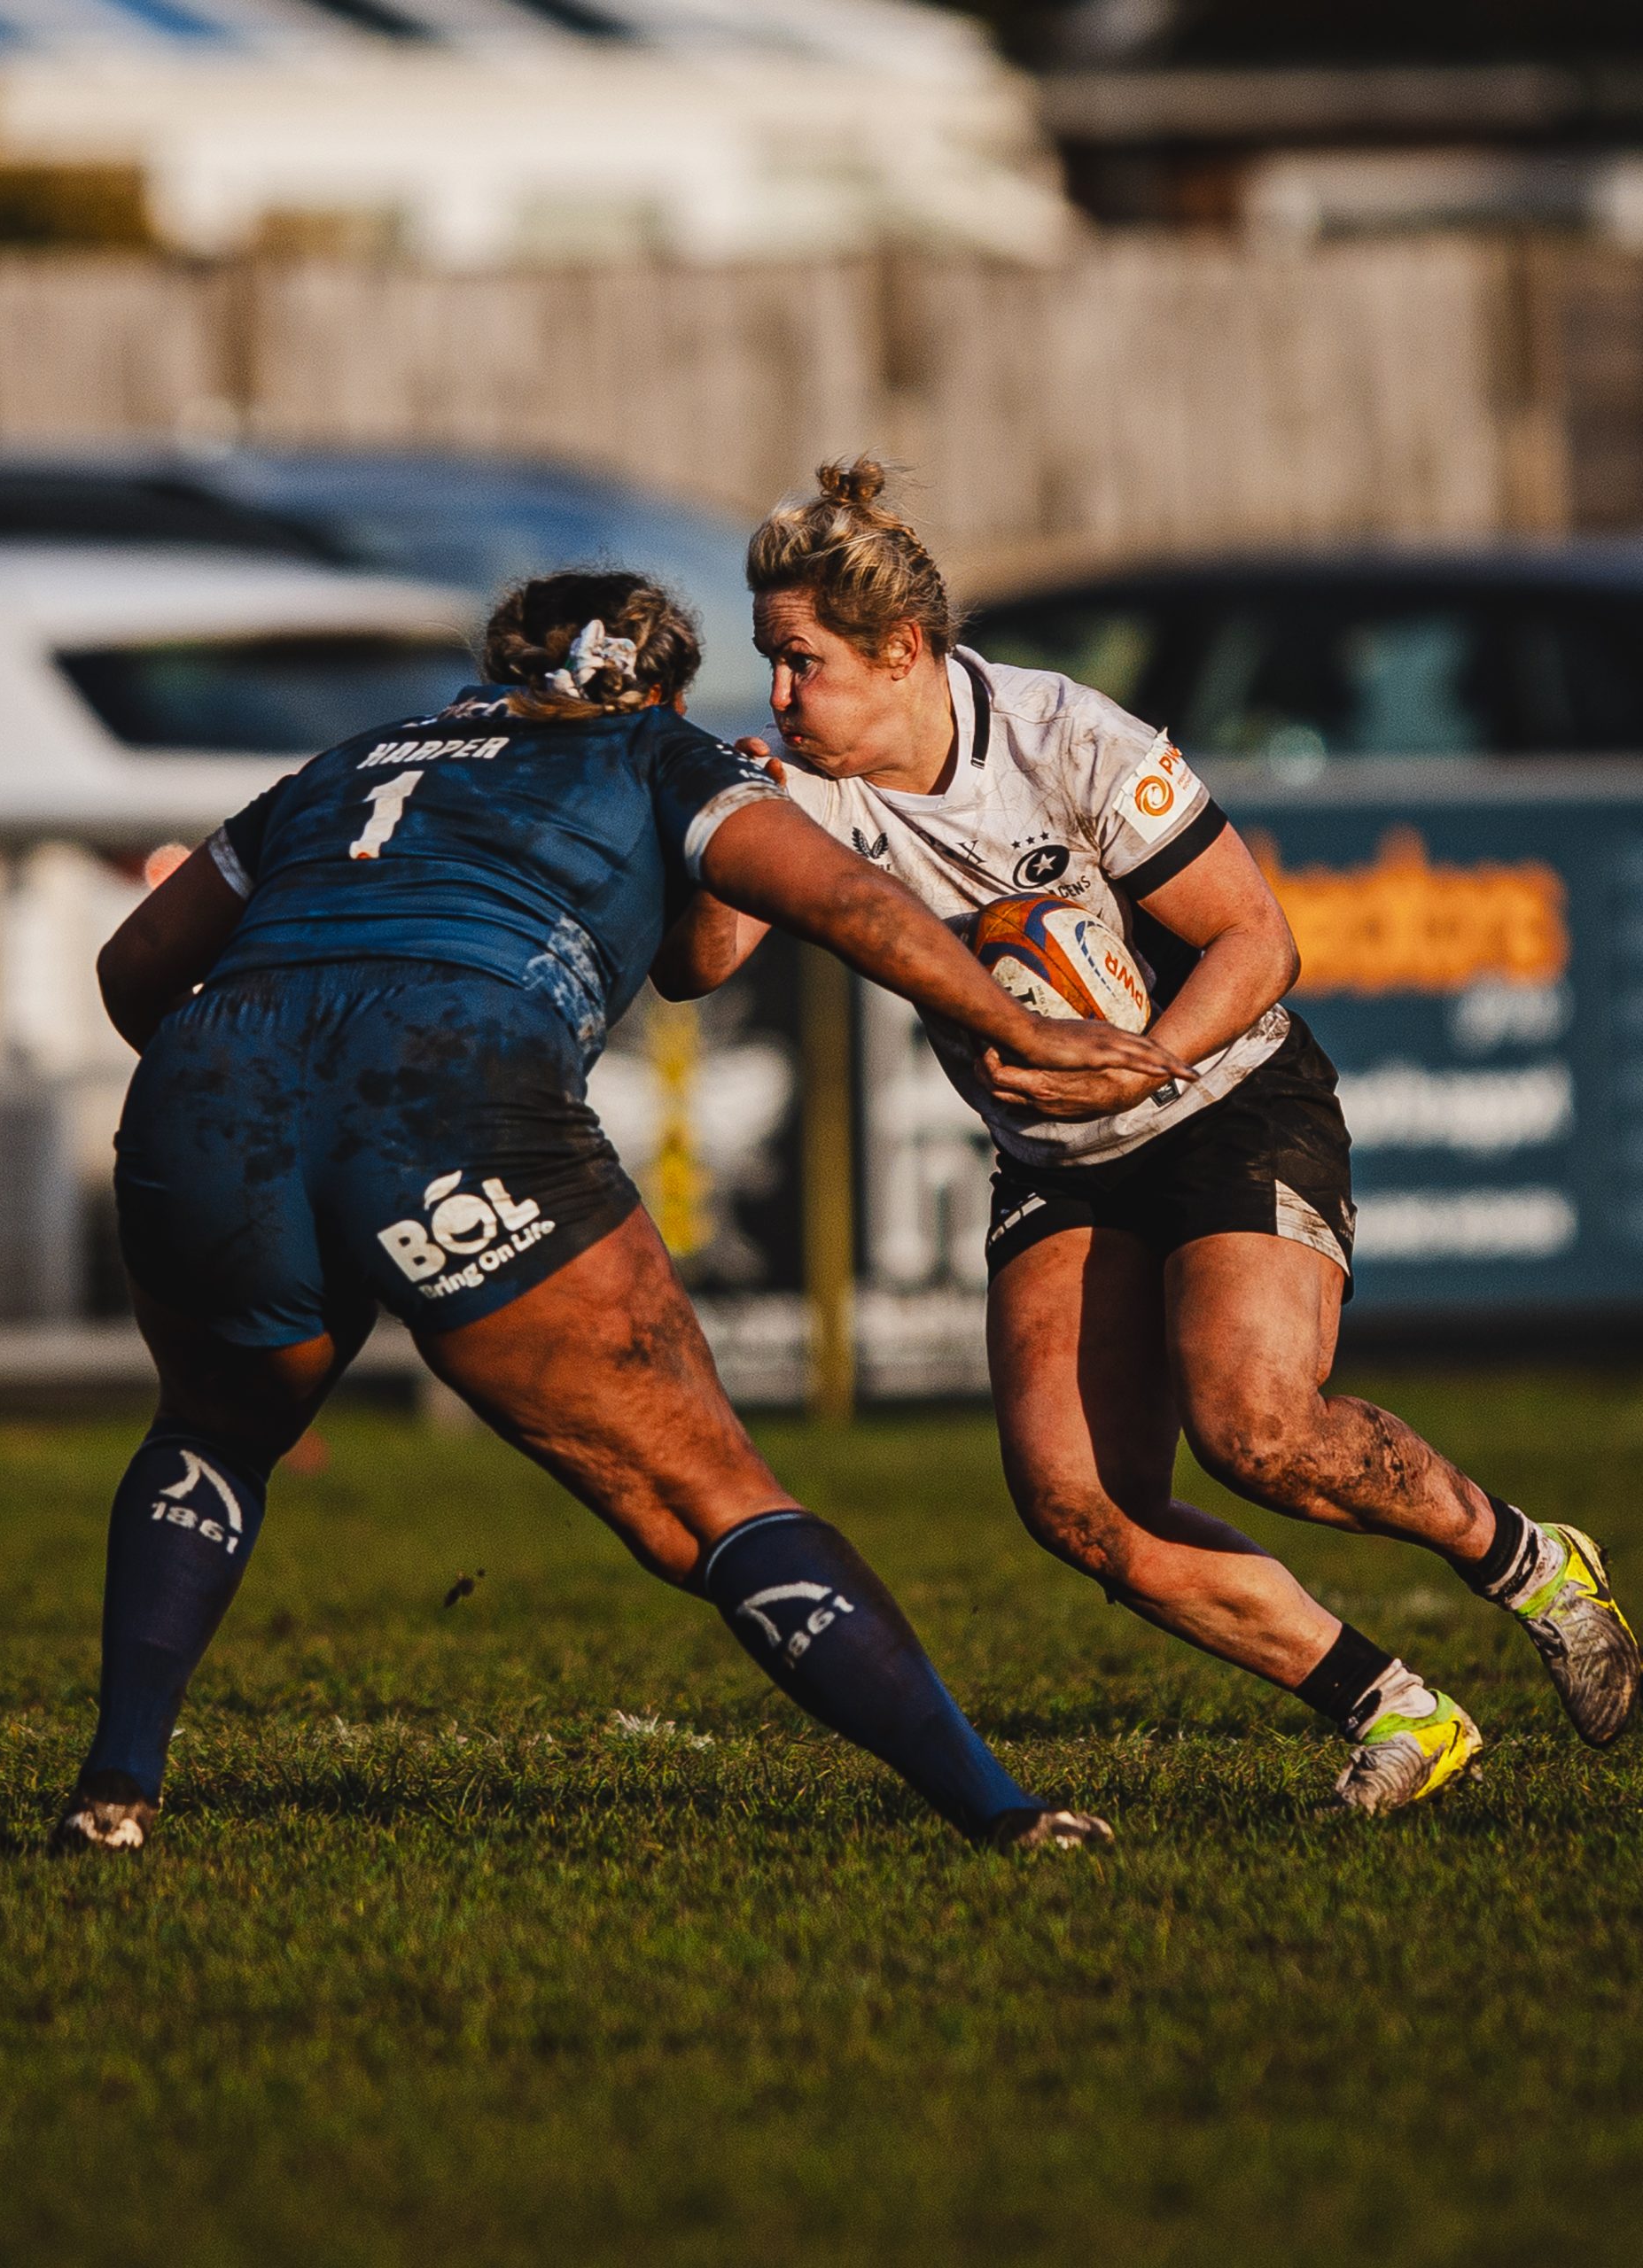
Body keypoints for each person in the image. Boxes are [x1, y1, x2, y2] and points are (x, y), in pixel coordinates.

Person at [57, 568, 1191, 1856]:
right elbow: (842, 901)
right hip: (448, 1083)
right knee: (707, 1502)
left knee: (212, 1432)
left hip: (213, 1080)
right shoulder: (656, 750)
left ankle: (115, 1789)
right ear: (661, 689)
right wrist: (1019, 1026)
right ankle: (1003, 1812)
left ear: (496, 668)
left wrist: (255, 1098)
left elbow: (133, 967)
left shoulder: (349, 760)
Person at [651, 460, 1639, 1814]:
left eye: (799, 663)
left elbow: (1258, 940)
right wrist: (726, 827)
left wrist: (1139, 1065)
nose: (776, 693)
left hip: (1231, 1101)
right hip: (1058, 1160)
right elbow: (698, 970)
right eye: (770, 662)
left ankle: (1531, 1564)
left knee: (1258, 1429)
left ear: (901, 653)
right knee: (1080, 1507)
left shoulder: (1065, 739)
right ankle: (1398, 1709)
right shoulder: (804, 790)